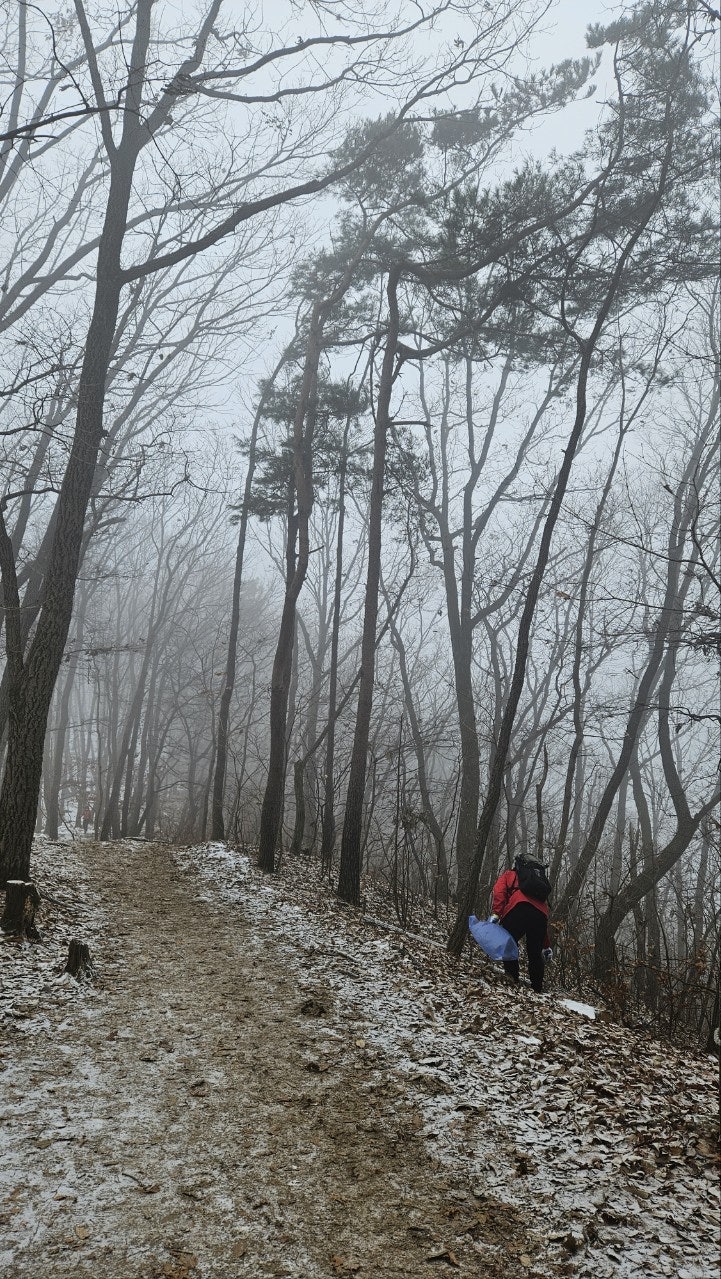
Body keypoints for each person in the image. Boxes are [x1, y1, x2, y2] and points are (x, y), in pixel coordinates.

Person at [490, 855, 553, 993]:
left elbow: (499, 891)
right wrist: (546, 946)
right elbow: (543, 917)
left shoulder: (509, 874)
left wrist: (496, 913)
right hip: (540, 914)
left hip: (518, 908)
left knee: (509, 942)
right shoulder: (538, 888)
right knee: (535, 952)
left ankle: (512, 978)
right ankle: (537, 988)